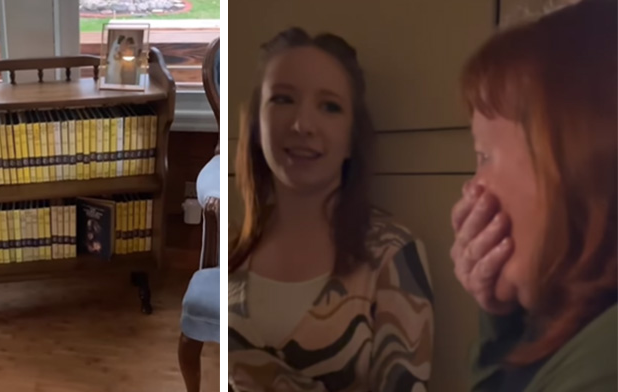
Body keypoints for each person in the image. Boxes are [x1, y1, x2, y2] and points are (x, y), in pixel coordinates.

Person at [228, 27, 434, 392]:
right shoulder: (233, 248)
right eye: (283, 99)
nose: (302, 125)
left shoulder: (392, 255)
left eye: (329, 107)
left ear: (353, 138)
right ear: (257, 127)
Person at [450, 0, 617, 391]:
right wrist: (502, 318)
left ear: (575, 159)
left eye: (484, 156)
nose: (472, 190)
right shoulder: (574, 325)